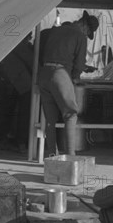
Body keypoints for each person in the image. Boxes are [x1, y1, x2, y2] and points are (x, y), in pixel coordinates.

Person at [38, 11, 99, 157]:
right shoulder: (80, 36)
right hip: (60, 74)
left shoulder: (55, 31)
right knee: (71, 115)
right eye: (89, 31)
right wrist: (75, 79)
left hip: (44, 74)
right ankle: (71, 156)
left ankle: (52, 153)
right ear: (84, 25)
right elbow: (78, 65)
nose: (87, 34)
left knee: (50, 120)